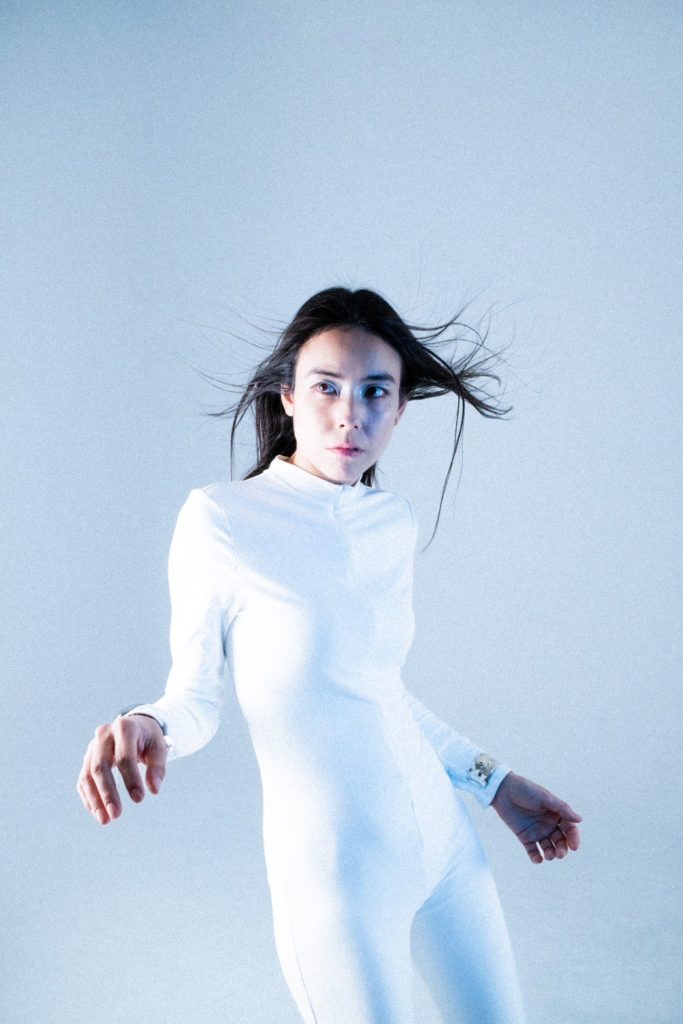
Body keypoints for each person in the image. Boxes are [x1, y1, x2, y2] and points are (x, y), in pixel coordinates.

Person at [77, 286, 581, 1024]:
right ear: (287, 395)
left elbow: (379, 692)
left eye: (376, 391)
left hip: (445, 849)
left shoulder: (391, 521)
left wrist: (493, 782)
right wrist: (149, 722)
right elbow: (196, 696)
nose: (351, 414)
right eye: (326, 388)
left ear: (399, 409)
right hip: (337, 879)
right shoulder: (222, 518)